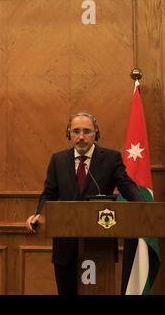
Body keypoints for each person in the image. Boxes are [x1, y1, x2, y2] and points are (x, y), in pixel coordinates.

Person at [25, 112, 143, 295]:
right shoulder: (58, 160)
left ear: (96, 133)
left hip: (99, 244)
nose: (81, 137)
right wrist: (39, 213)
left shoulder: (111, 159)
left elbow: (127, 186)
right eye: (76, 131)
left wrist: (144, 206)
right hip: (65, 245)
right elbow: (49, 194)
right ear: (69, 134)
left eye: (87, 131)